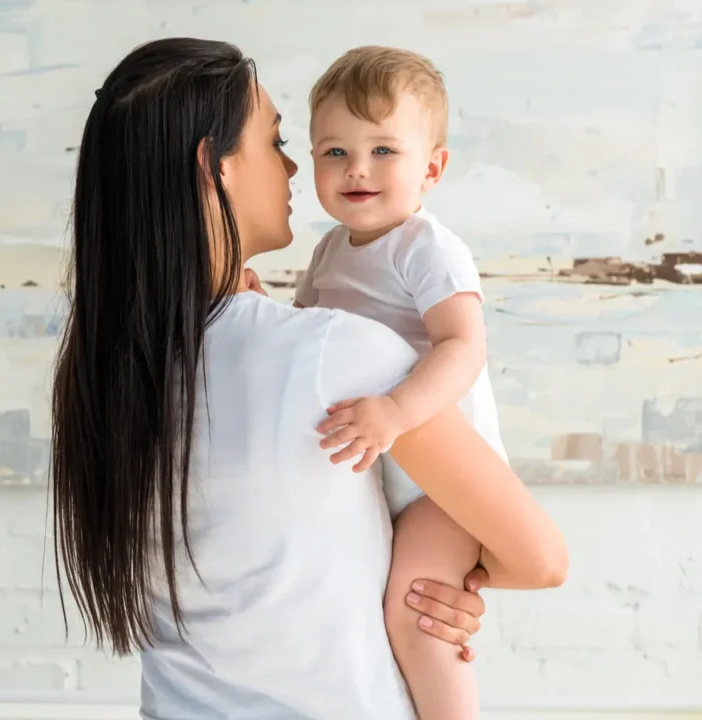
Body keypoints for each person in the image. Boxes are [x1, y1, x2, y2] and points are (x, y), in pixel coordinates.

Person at [50, 37, 567, 720]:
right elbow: (541, 559)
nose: (296, 165)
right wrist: (442, 590)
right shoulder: (338, 356)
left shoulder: (106, 373)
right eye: (277, 141)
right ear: (216, 167)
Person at [294, 45, 505, 718]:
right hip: (385, 476)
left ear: (432, 168)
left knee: (419, 612)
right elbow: (303, 338)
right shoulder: (328, 252)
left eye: (384, 150)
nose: (357, 168)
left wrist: (394, 410)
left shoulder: (426, 247)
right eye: (335, 152)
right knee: (369, 614)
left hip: (444, 482)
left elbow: (464, 346)